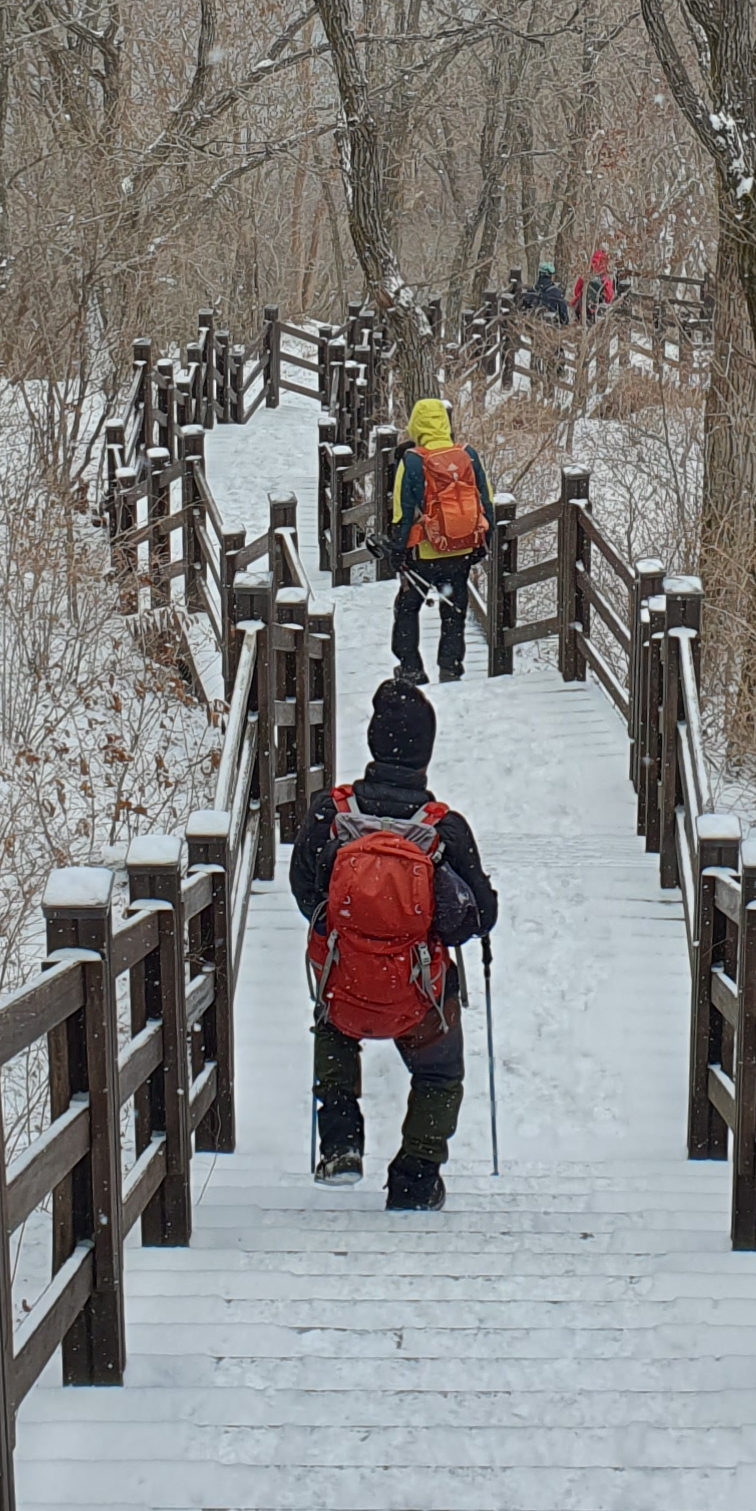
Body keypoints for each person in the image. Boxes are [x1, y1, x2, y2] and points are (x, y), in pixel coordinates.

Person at [296, 677, 498, 1207]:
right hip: (418, 993)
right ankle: (415, 1177)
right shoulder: (444, 827)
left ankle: (340, 1142)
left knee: (332, 1023)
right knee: (440, 1072)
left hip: (345, 981)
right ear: (426, 750)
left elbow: (305, 893)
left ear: (373, 741)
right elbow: (478, 917)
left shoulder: (331, 812)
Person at [383, 396, 490, 681]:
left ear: (415, 424)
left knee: (407, 608)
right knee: (454, 610)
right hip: (460, 550)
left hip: (424, 553)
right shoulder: (468, 455)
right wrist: (484, 542)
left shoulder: (412, 460)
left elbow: (403, 512)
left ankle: (411, 668)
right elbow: (486, 501)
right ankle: (450, 667)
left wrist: (398, 550)